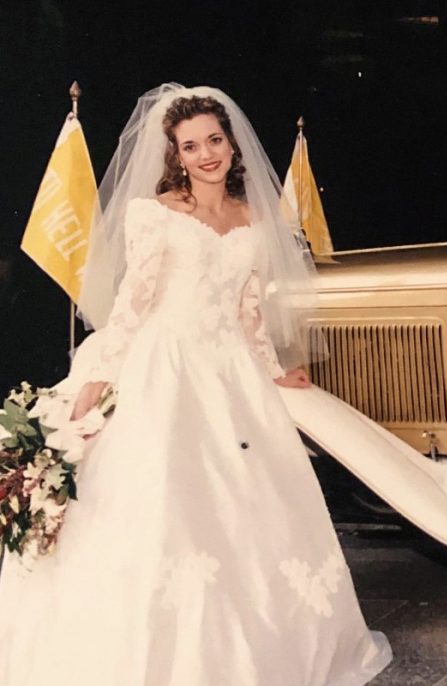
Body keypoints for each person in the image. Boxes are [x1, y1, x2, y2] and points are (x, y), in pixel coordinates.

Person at [0, 84, 393, 685]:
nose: (206, 153)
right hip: (165, 365)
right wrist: (99, 375)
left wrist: (272, 369)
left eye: (215, 139)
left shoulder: (257, 219)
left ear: (233, 145)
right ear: (175, 155)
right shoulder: (153, 213)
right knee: (164, 501)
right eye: (191, 145)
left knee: (251, 506)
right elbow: (133, 304)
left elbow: (248, 312)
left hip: (231, 372)